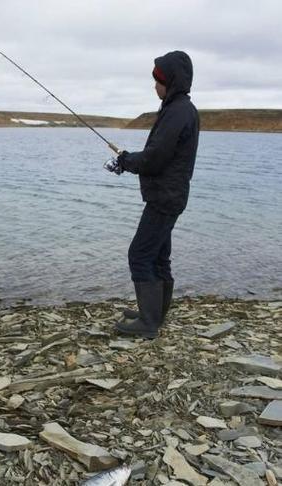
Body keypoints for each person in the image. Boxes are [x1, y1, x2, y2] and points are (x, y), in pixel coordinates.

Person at [115, 50, 199, 339]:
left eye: (158, 80)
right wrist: (129, 160)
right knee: (159, 257)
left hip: (165, 197)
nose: (154, 86)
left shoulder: (177, 111)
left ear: (171, 81)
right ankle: (154, 314)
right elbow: (159, 156)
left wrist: (126, 160)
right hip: (171, 195)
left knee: (139, 254)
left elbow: (155, 158)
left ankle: (148, 323)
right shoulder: (180, 108)